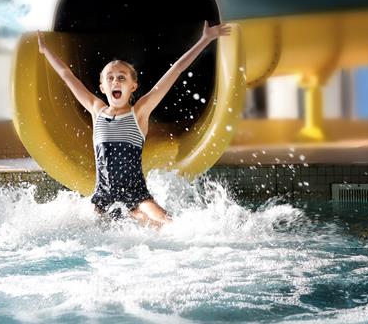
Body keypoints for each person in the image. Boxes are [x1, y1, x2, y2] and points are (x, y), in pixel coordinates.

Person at [37, 20, 231, 229]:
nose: (115, 82)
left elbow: (176, 70)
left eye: (122, 78)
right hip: (102, 198)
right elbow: (68, 76)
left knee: (170, 225)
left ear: (133, 86)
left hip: (137, 197)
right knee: (71, 228)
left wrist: (205, 39)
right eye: (110, 78)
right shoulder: (97, 110)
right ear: (102, 87)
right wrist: (46, 50)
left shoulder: (139, 112)